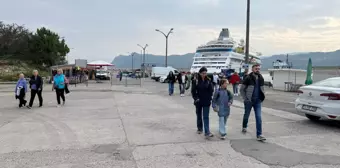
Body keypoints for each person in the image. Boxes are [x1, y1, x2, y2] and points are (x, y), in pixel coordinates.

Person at [240, 64, 266, 141]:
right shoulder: (248, 78)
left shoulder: (261, 78)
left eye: (258, 69)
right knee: (246, 115)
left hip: (258, 101)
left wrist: (262, 96)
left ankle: (259, 134)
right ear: (252, 69)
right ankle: (244, 126)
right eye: (256, 68)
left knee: (258, 117)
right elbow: (242, 89)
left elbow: (262, 88)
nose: (257, 70)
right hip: (249, 101)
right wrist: (245, 99)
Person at [191, 67, 214, 138]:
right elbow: (193, 91)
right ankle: (200, 128)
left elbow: (211, 90)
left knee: (206, 116)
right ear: (200, 73)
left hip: (206, 101)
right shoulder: (196, 81)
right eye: (203, 73)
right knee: (199, 115)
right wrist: (196, 98)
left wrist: (210, 98)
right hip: (198, 101)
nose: (204, 74)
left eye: (205, 73)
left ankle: (207, 132)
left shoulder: (208, 80)